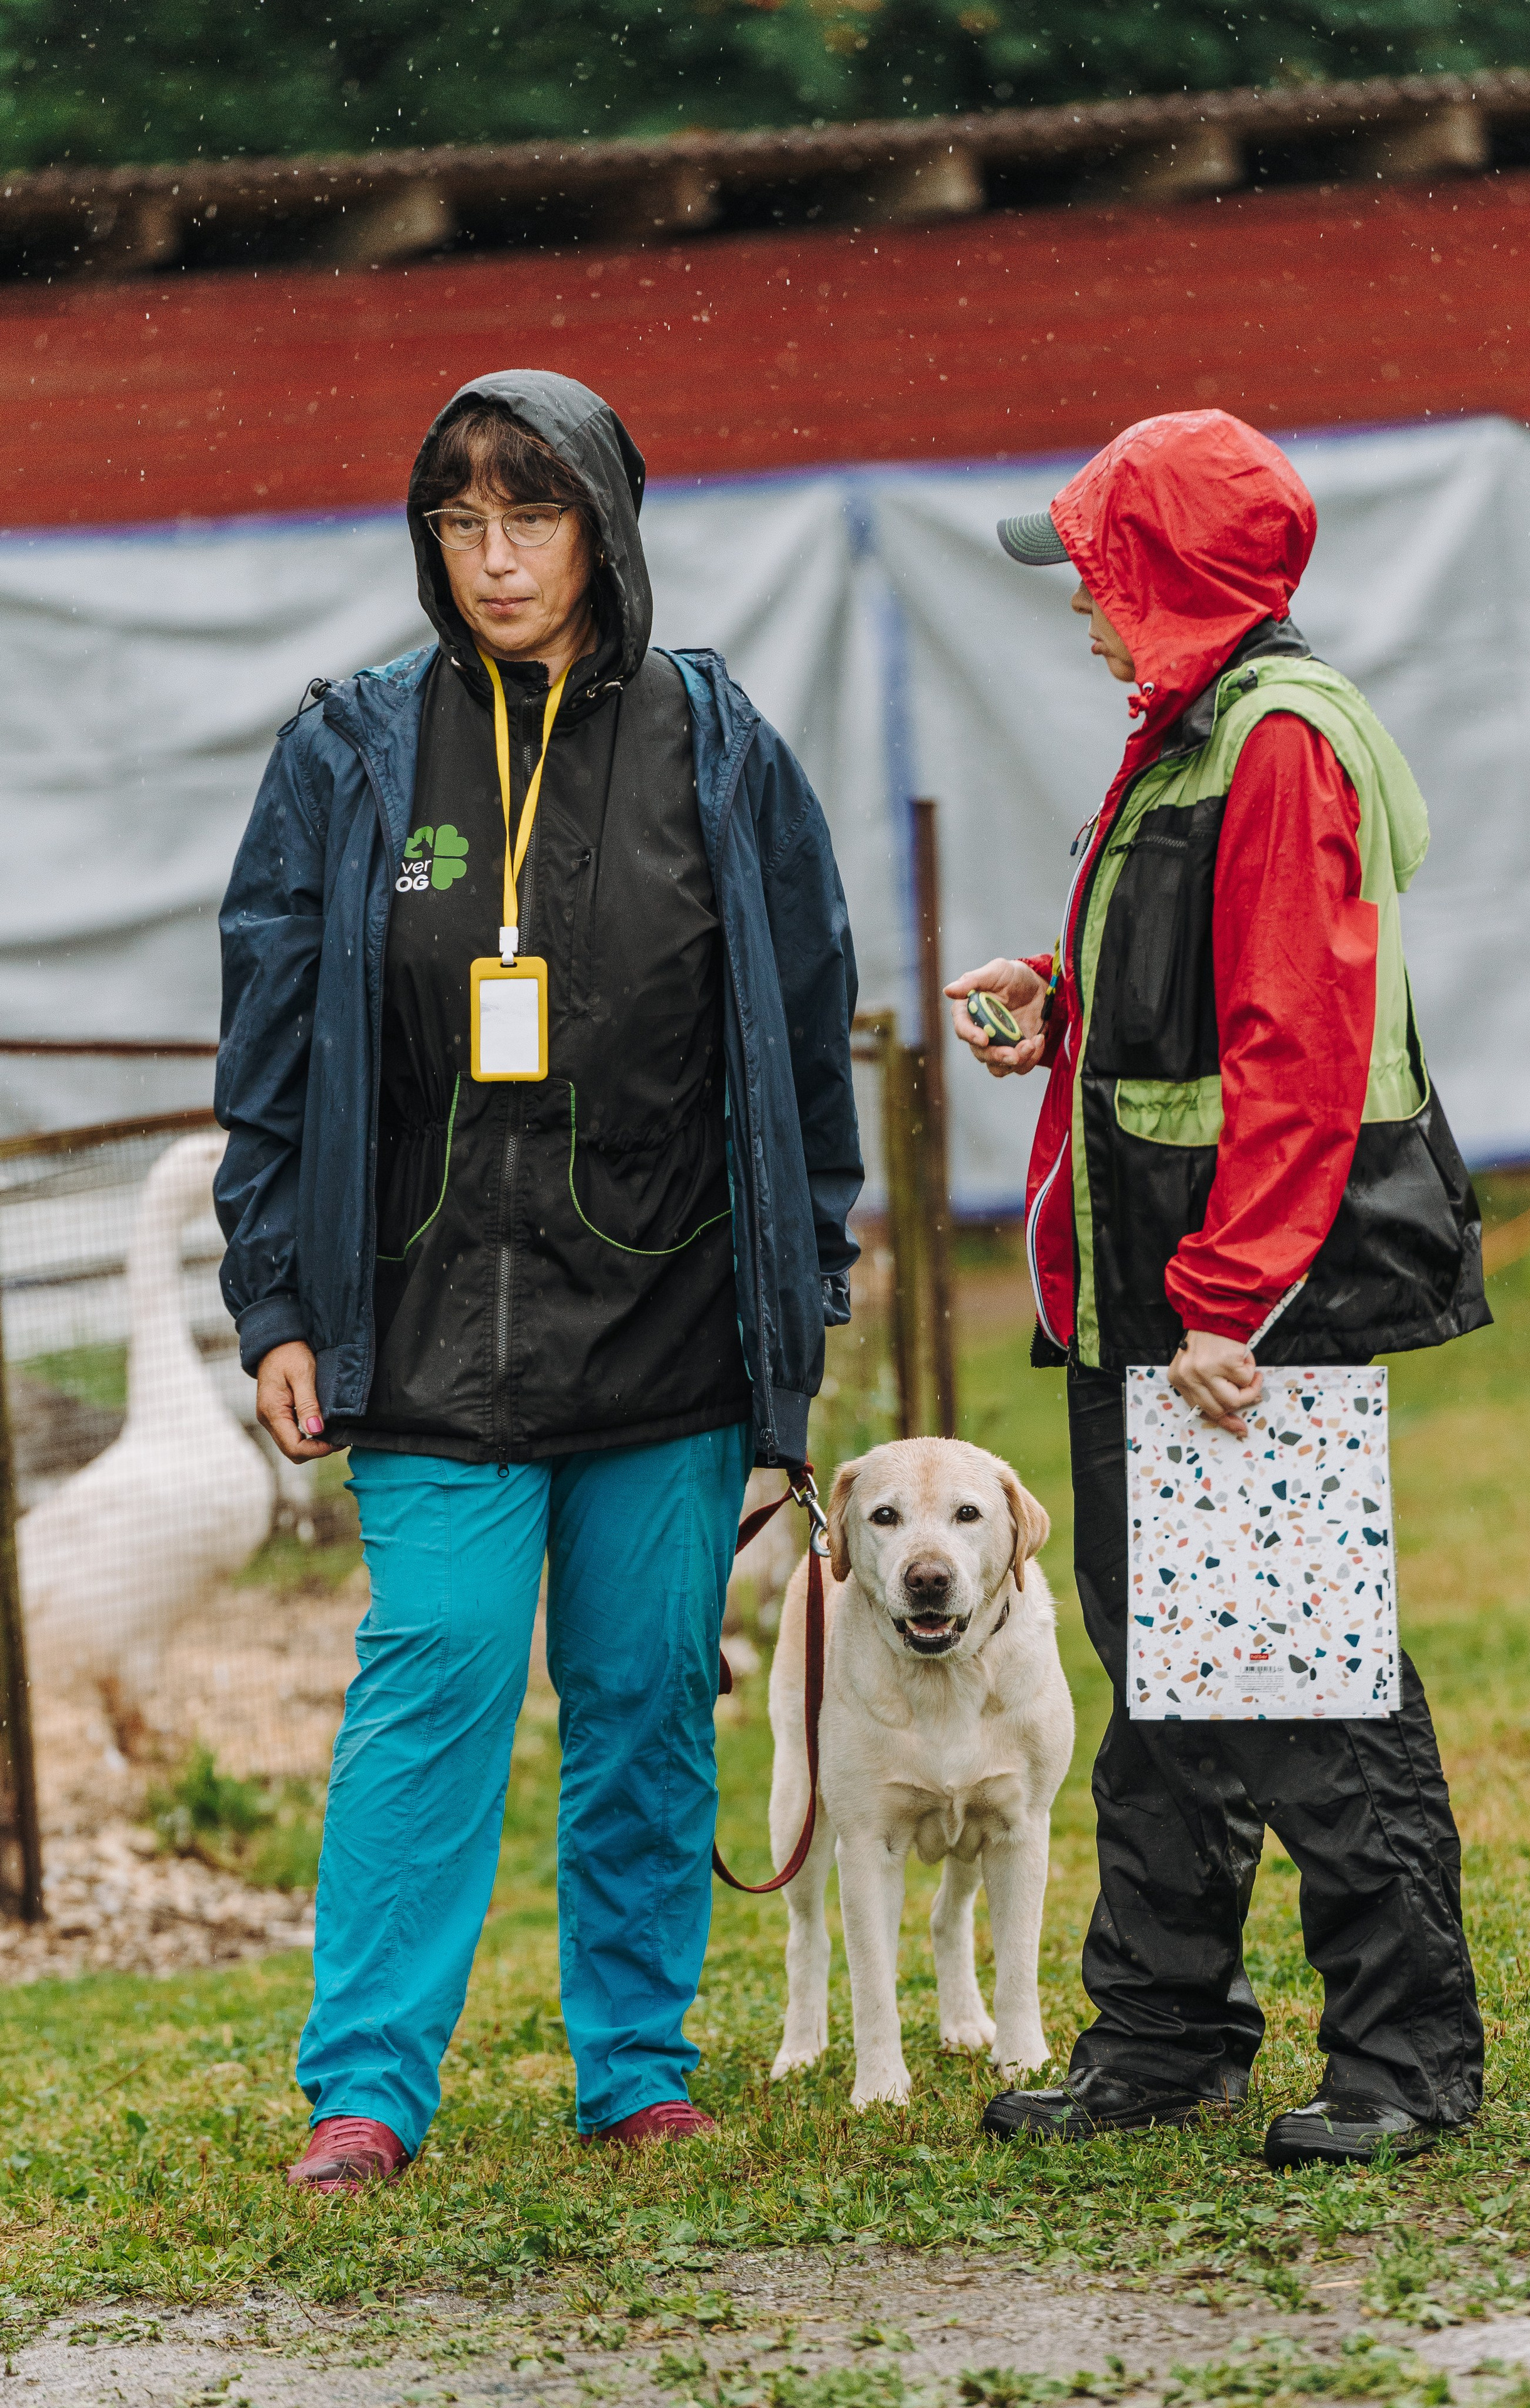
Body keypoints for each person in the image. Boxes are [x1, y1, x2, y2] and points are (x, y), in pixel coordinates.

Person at [215, 370, 861, 2186]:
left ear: (609, 527)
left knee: (651, 1693)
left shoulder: (717, 744)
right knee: (433, 1672)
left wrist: (796, 1316)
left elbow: (807, 1046)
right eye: (462, 522)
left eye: (535, 516)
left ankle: (636, 2058)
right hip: (421, 1324)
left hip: (664, 1322)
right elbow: (266, 1049)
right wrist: (273, 1298)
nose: (497, 561)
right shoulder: (350, 749)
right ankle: (366, 2089)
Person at [947, 409, 1489, 2171]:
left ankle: (1410, 2061)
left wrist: (1228, 1305)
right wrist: (1060, 995)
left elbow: (1303, 1042)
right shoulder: (1194, 732)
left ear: (1160, 574)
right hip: (1164, 1302)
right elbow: (1201, 986)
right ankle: (1164, 2038)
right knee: (1164, 1675)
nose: (1083, 615)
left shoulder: (1277, 745)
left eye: (1097, 576)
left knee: (1309, 1686)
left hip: (1246, 1316)